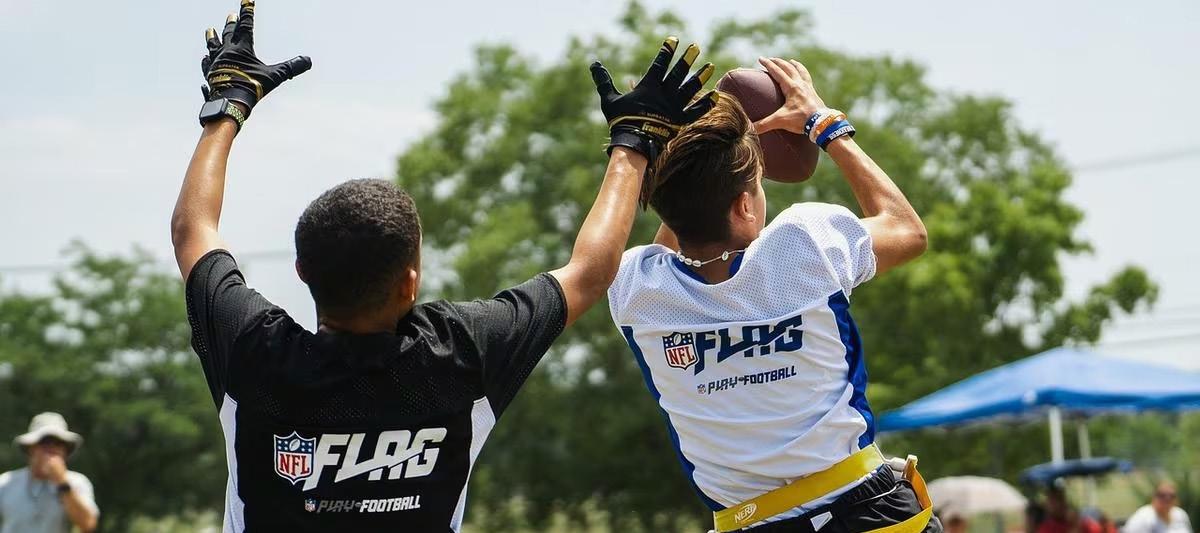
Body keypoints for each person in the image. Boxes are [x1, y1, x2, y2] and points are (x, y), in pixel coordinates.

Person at [171, 1, 717, 531]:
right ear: (410, 282)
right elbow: (590, 272)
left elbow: (193, 232)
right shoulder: (460, 353)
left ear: (301, 271)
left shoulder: (256, 354)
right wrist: (632, 142)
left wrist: (228, 105)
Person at [606, 56, 934, 532]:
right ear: (744, 206)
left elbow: (677, 228)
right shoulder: (803, 244)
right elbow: (907, 231)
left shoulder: (636, 290)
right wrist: (824, 123)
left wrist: (686, 155)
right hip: (865, 511)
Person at [0, 413, 99, 533]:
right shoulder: (6, 482)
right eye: (44, 442)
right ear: (30, 448)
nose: (51, 449)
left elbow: (87, 524)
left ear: (65, 451)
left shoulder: (77, 482)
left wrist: (62, 483)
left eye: (58, 443)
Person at [1123, 480, 1192, 533]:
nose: (1167, 499)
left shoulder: (1180, 514)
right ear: (1154, 496)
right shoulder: (1143, 516)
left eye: (1172, 496)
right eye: (1162, 495)